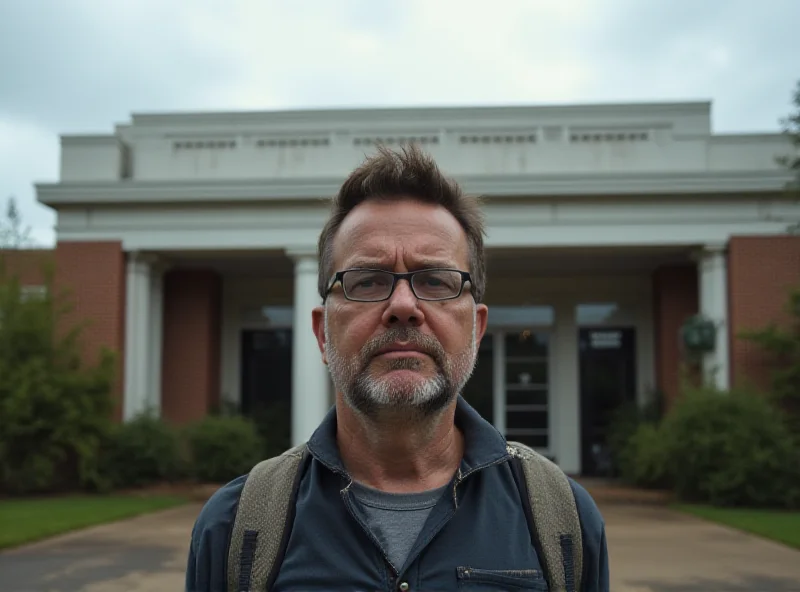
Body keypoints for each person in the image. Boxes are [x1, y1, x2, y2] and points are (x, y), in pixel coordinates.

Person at [185, 144, 609, 592]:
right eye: (367, 281)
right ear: (322, 333)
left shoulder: (562, 520)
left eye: (435, 281)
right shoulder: (235, 528)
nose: (404, 306)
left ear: (476, 329)